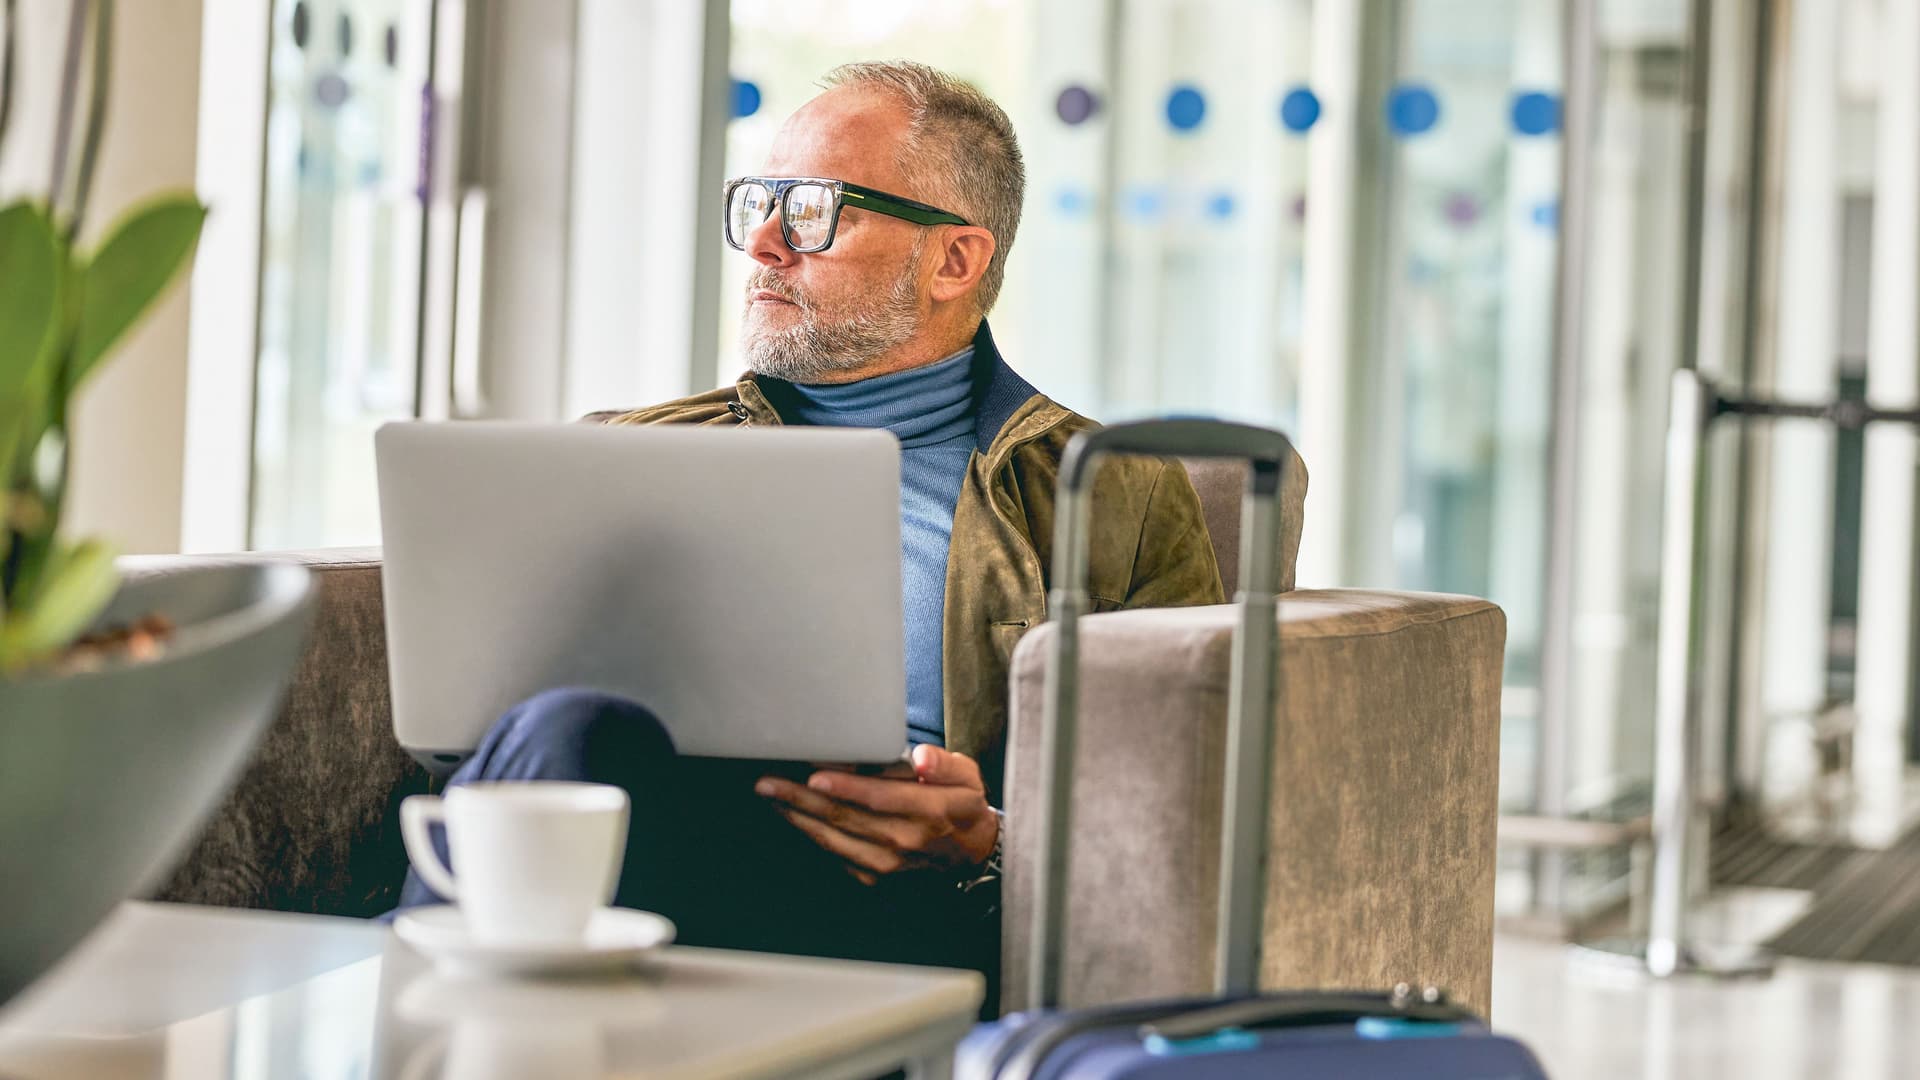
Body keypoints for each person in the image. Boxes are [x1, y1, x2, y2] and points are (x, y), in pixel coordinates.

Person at [396, 60, 1225, 1000]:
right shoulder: (628, 453)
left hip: (893, 909)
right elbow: (474, 735)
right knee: (577, 732)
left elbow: (1185, 807)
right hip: (638, 851)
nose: (763, 243)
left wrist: (989, 839)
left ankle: (396, 1005)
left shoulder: (1112, 491)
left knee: (571, 742)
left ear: (955, 260)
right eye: (759, 202)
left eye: (816, 209)